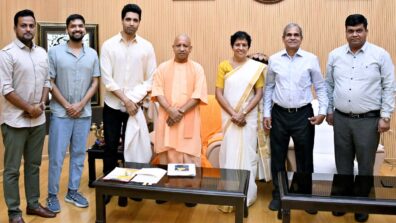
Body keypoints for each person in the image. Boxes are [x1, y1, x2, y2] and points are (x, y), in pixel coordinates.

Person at [326, 14, 394, 222]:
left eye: (359, 30)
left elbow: (389, 87)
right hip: (341, 119)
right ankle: (342, 201)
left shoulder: (380, 55)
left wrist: (385, 116)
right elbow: (329, 85)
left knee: (365, 165)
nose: (354, 34)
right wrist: (329, 109)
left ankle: (363, 204)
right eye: (350, 30)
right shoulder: (335, 55)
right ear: (345, 31)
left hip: (368, 120)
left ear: (366, 30)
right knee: (343, 163)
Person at [263, 23, 328, 213]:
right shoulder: (274, 60)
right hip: (279, 114)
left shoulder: (311, 59)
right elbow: (269, 88)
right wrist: (267, 113)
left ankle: (305, 196)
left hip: (303, 115)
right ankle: (279, 195)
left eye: (296, 34)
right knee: (277, 158)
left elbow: (321, 87)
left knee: (305, 159)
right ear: (283, 38)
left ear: (301, 38)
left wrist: (322, 111)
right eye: (289, 35)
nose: (292, 37)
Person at [0, 9, 56, 223]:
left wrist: (41, 103)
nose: (28, 29)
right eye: (23, 25)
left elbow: (46, 81)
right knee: (12, 170)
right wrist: (28, 108)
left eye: (31, 25)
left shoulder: (42, 53)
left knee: (34, 165)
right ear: (15, 28)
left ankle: (33, 204)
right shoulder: (6, 54)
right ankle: (14, 212)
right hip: (15, 120)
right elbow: (5, 89)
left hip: (38, 120)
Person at [100, 3, 157, 203]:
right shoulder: (108, 45)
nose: (131, 23)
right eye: (128, 19)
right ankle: (108, 187)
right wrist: (126, 100)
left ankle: (133, 187)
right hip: (113, 106)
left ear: (139, 22)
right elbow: (107, 79)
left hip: (135, 108)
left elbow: (151, 79)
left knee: (133, 147)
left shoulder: (147, 46)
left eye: (135, 20)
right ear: (122, 20)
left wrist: (134, 101)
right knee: (111, 146)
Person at [46, 14, 100, 213]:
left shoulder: (92, 54)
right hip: (61, 113)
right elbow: (50, 82)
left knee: (78, 154)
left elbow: (95, 82)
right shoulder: (54, 52)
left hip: (83, 114)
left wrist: (80, 104)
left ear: (84, 29)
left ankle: (72, 191)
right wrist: (68, 105)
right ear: (67, 29)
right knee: (57, 156)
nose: (77, 29)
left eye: (80, 26)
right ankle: (52, 195)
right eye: (73, 26)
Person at [215, 31, 266, 210]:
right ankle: (230, 194)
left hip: (248, 117)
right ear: (232, 46)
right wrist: (234, 114)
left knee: (247, 154)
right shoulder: (224, 66)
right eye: (238, 44)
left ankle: (247, 194)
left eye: (244, 45)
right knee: (229, 152)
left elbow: (259, 93)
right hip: (230, 117)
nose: (241, 48)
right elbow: (218, 93)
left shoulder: (255, 67)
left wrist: (243, 112)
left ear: (248, 47)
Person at [152, 34, 208, 166]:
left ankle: (191, 186)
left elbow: (198, 95)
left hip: (189, 119)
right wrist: (170, 111)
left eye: (185, 46)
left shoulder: (197, 68)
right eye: (178, 45)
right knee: (167, 157)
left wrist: (178, 112)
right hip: (167, 119)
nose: (182, 49)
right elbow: (157, 91)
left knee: (190, 158)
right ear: (173, 47)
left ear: (190, 49)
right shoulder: (162, 67)